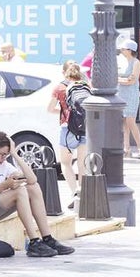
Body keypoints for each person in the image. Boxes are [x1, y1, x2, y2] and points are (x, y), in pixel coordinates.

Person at [0, 132, 74, 257]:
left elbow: (32, 179)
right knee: (20, 191)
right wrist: (4, 185)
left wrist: (14, 154)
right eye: (2, 155)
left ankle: (48, 239)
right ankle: (34, 242)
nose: (4, 159)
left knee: (33, 188)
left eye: (6, 155)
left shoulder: (3, 165)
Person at [48, 61, 89, 208]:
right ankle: (84, 193)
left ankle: (74, 193)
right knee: (82, 163)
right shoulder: (86, 85)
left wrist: (63, 112)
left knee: (65, 162)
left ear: (63, 72)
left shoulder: (59, 88)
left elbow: (50, 108)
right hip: (85, 127)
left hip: (68, 128)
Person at [116, 40, 140, 159]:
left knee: (130, 121)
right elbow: (126, 79)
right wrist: (123, 80)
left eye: (123, 49)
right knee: (124, 122)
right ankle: (126, 148)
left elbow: (132, 80)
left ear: (130, 50)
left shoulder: (135, 62)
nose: (121, 51)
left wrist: (117, 79)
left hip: (131, 94)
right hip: (120, 93)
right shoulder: (121, 61)